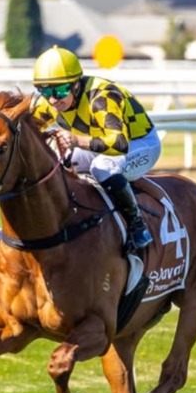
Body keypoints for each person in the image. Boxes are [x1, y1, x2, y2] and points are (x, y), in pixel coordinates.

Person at [31, 45, 159, 252]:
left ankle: (137, 225)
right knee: (60, 160)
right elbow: (24, 129)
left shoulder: (101, 98)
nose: (53, 99)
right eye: (45, 91)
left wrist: (76, 140)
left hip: (138, 143)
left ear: (76, 85)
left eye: (60, 90)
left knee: (103, 167)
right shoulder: (50, 103)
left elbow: (119, 144)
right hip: (100, 143)